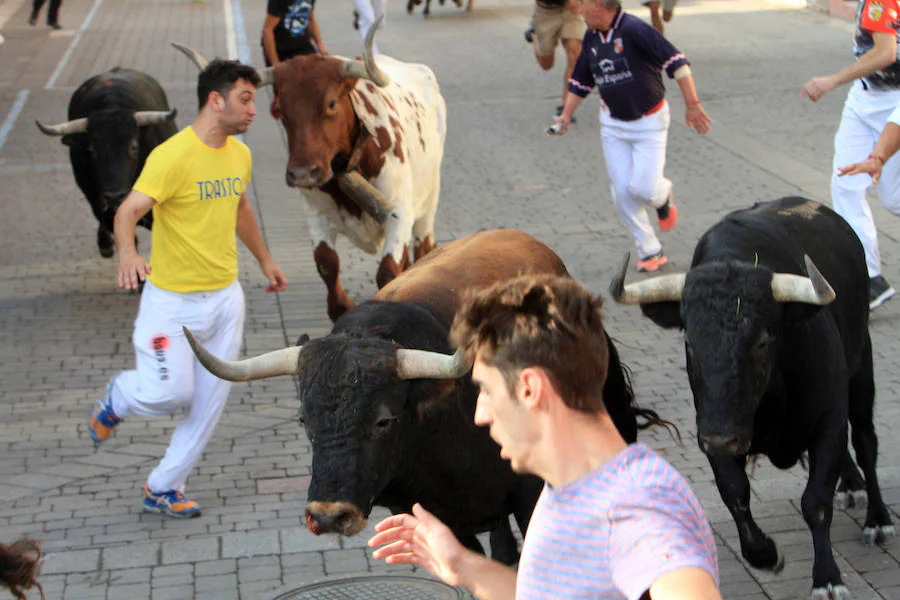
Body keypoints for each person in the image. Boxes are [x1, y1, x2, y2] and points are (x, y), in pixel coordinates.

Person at [368, 274, 721, 600]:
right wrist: (465, 566)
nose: (480, 415)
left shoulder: (633, 510)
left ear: (530, 389)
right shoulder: (578, 487)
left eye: (487, 391)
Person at [87, 59, 288, 518]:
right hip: (172, 305)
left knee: (210, 401)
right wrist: (128, 253)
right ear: (215, 101)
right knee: (168, 393)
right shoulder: (172, 156)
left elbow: (239, 210)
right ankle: (119, 396)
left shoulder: (239, 155)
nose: (253, 109)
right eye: (244, 99)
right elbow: (127, 212)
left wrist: (265, 260)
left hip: (225, 299)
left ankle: (163, 487)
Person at [552, 0, 712, 272]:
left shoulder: (635, 30)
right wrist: (565, 115)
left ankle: (662, 196)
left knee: (644, 188)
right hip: (613, 125)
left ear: (601, 6)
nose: (579, 10)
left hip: (649, 122)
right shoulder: (591, 36)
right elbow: (581, 81)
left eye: (584, 4)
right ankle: (649, 249)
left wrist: (693, 104)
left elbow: (678, 63)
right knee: (622, 191)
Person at [801, 0, 900, 310]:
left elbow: (886, 53)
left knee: (893, 198)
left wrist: (832, 80)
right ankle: (870, 280)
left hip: (893, 100)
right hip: (863, 97)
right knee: (845, 184)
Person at [262, 0, 327, 119]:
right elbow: (268, 30)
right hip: (280, 48)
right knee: (287, 98)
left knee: (316, 81)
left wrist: (320, 46)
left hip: (302, 44)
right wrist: (275, 62)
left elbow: (310, 19)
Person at [524, 0, 585, 122]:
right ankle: (534, 35)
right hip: (546, 12)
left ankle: (565, 106)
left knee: (575, 56)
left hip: (570, 13)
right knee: (546, 64)